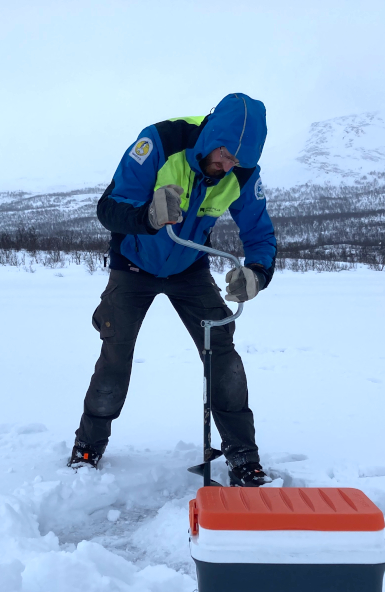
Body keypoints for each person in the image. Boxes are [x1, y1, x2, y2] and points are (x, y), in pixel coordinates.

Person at [68, 93, 276, 487]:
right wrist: (147, 216)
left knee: (222, 349)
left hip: (188, 268)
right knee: (116, 353)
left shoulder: (244, 173)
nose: (227, 165)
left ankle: (243, 458)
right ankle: (87, 446)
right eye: (224, 154)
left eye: (237, 160)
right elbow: (107, 208)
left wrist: (257, 274)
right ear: (211, 135)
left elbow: (259, 232)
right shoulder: (160, 143)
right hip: (133, 263)